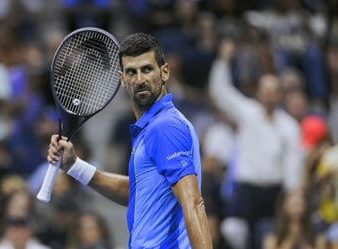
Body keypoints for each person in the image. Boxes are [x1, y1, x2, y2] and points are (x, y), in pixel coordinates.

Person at [47, 33, 212, 249]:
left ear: (165, 72)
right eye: (131, 72)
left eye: (147, 69)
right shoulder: (152, 128)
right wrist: (74, 165)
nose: (140, 79)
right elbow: (138, 194)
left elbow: (194, 203)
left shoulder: (166, 127)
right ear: (122, 79)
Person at [209, 38, 304, 249]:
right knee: (235, 234)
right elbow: (221, 91)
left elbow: (293, 164)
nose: (269, 94)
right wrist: (224, 61)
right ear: (259, 92)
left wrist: (292, 193)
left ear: (279, 95)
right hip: (246, 191)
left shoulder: (289, 127)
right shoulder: (248, 113)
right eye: (266, 90)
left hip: (275, 192)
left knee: (270, 240)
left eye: (274, 91)